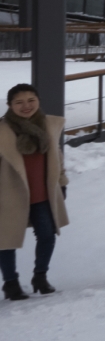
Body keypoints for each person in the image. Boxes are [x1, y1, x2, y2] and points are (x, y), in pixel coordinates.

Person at [2, 83, 66, 300]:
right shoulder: (3, 130)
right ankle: (10, 283)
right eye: (19, 102)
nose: (26, 106)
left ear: (38, 101)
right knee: (6, 240)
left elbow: (57, 157)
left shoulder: (48, 125)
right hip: (9, 195)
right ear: (10, 105)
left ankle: (40, 276)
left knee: (47, 235)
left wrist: (62, 183)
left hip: (42, 194)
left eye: (31, 100)